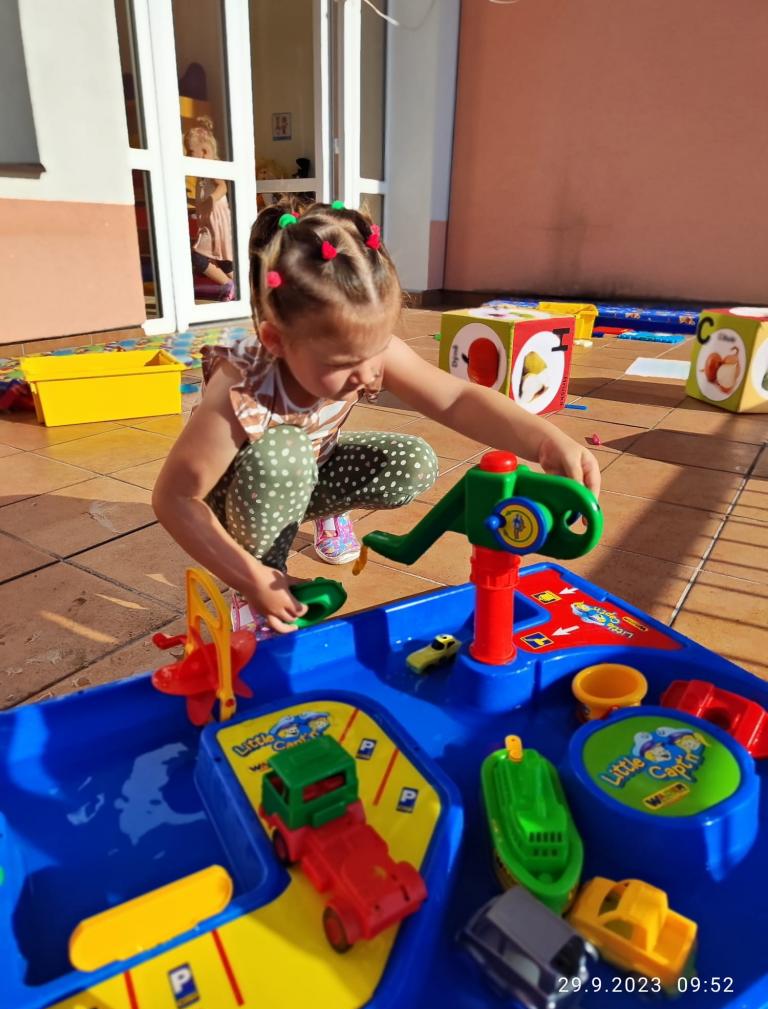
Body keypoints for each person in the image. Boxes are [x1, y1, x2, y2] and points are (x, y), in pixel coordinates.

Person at [152, 199, 600, 636]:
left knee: (412, 461)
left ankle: (325, 514)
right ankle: (261, 582)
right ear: (276, 341)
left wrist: (545, 440)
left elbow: (456, 399)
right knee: (283, 456)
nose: (368, 374)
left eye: (376, 350)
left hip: (309, 469)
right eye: (345, 362)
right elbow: (176, 498)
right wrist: (251, 577)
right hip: (239, 494)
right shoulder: (242, 382)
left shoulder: (364, 353)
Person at [184, 117, 235, 301]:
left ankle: (229, 285)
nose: (188, 156)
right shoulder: (202, 172)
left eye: (191, 152)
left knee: (198, 257)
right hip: (211, 221)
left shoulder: (211, 167)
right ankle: (247, 289)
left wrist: (211, 200)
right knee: (225, 262)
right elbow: (203, 198)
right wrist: (194, 202)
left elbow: (222, 186)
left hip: (216, 222)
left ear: (204, 152)